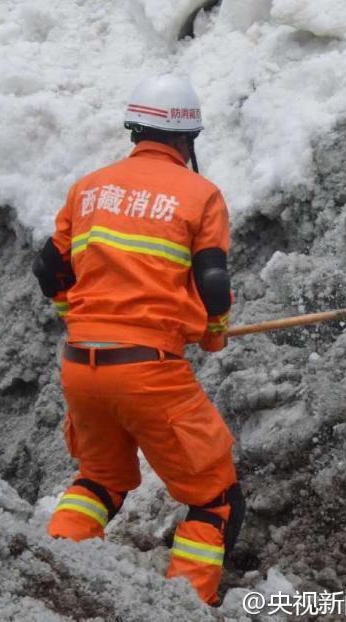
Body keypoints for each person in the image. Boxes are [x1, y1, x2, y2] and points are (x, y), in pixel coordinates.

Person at [31, 74, 245, 606]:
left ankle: (52, 578)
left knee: (100, 482)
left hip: (82, 366)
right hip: (148, 372)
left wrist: (73, 316)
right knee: (215, 498)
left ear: (136, 130)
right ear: (187, 139)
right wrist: (213, 333)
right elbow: (213, 283)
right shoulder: (200, 195)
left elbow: (48, 266)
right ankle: (184, 607)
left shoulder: (90, 188)